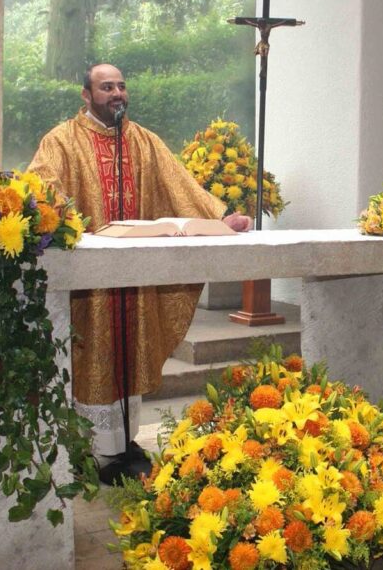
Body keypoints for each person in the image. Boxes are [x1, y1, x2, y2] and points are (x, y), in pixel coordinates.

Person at [28, 63, 250, 482]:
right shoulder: (61, 140)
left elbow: (181, 184)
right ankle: (91, 447)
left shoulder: (143, 141)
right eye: (106, 86)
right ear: (86, 95)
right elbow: (41, 186)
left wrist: (222, 216)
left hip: (135, 277)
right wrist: (62, 220)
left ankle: (121, 445)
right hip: (89, 283)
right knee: (93, 352)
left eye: (121, 86)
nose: (117, 93)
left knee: (130, 350)